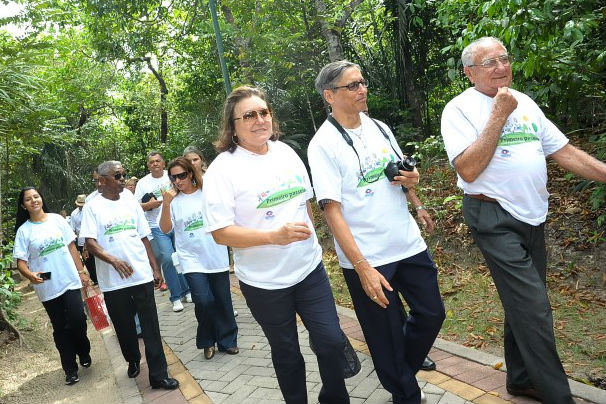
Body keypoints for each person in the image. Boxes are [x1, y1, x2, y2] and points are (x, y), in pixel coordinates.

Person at [440, 36, 606, 404]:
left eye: (504, 59)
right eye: (489, 63)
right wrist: (498, 114)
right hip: (492, 216)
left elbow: (563, 151)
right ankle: (558, 396)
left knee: (524, 303)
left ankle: (518, 379)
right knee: (533, 307)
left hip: (533, 215)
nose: (501, 67)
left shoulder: (526, 103)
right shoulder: (458, 110)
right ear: (469, 73)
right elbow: (467, 170)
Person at [308, 61, 445, 404]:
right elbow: (331, 211)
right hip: (368, 256)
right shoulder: (323, 144)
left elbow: (399, 173)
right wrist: (362, 266)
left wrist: (415, 195)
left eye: (362, 82)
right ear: (329, 95)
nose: (362, 89)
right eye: (351, 86)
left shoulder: (380, 127)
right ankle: (406, 394)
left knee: (432, 313)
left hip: (407, 243)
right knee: (384, 336)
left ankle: (399, 372)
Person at [203, 86, 349, 404]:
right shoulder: (222, 170)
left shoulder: (285, 152)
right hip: (263, 283)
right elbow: (220, 232)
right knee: (287, 352)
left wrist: (311, 242)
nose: (260, 120)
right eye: (249, 115)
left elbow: (304, 204)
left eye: (264, 112)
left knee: (331, 341)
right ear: (233, 126)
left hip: (308, 270)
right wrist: (273, 237)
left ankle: (334, 397)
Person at [79, 160, 179, 390]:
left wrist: (155, 268)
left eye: (124, 174)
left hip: (140, 274)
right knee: (124, 325)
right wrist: (113, 261)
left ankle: (159, 375)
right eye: (118, 176)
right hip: (114, 282)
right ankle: (132, 359)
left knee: (151, 326)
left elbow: (144, 236)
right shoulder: (93, 206)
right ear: (102, 180)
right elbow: (91, 244)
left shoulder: (130, 201)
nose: (123, 179)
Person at [159, 157, 239, 359]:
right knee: (203, 300)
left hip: (215, 252)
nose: (178, 181)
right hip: (190, 258)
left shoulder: (208, 194)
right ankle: (207, 340)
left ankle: (227, 341)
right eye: (173, 177)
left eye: (182, 175)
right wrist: (166, 204)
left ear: (191, 173)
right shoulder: (173, 201)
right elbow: (165, 228)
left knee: (222, 299)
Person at [13, 187, 92, 386]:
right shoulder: (24, 231)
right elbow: (20, 262)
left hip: (69, 277)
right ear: (23, 205)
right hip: (47, 282)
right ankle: (70, 369)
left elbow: (71, 247)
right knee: (60, 327)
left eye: (36, 197)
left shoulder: (57, 219)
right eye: (28, 199)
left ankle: (83, 349)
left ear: (41, 198)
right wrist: (30, 275)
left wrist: (82, 271)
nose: (33, 201)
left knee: (77, 319)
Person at [135, 152, 191, 311]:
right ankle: (175, 297)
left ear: (163, 162)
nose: (155, 164)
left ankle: (187, 291)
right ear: (148, 165)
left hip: (178, 222)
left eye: (158, 161)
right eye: (151, 162)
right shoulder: (143, 183)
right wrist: (152, 204)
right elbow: (137, 206)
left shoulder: (172, 176)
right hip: (157, 226)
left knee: (180, 256)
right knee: (168, 258)